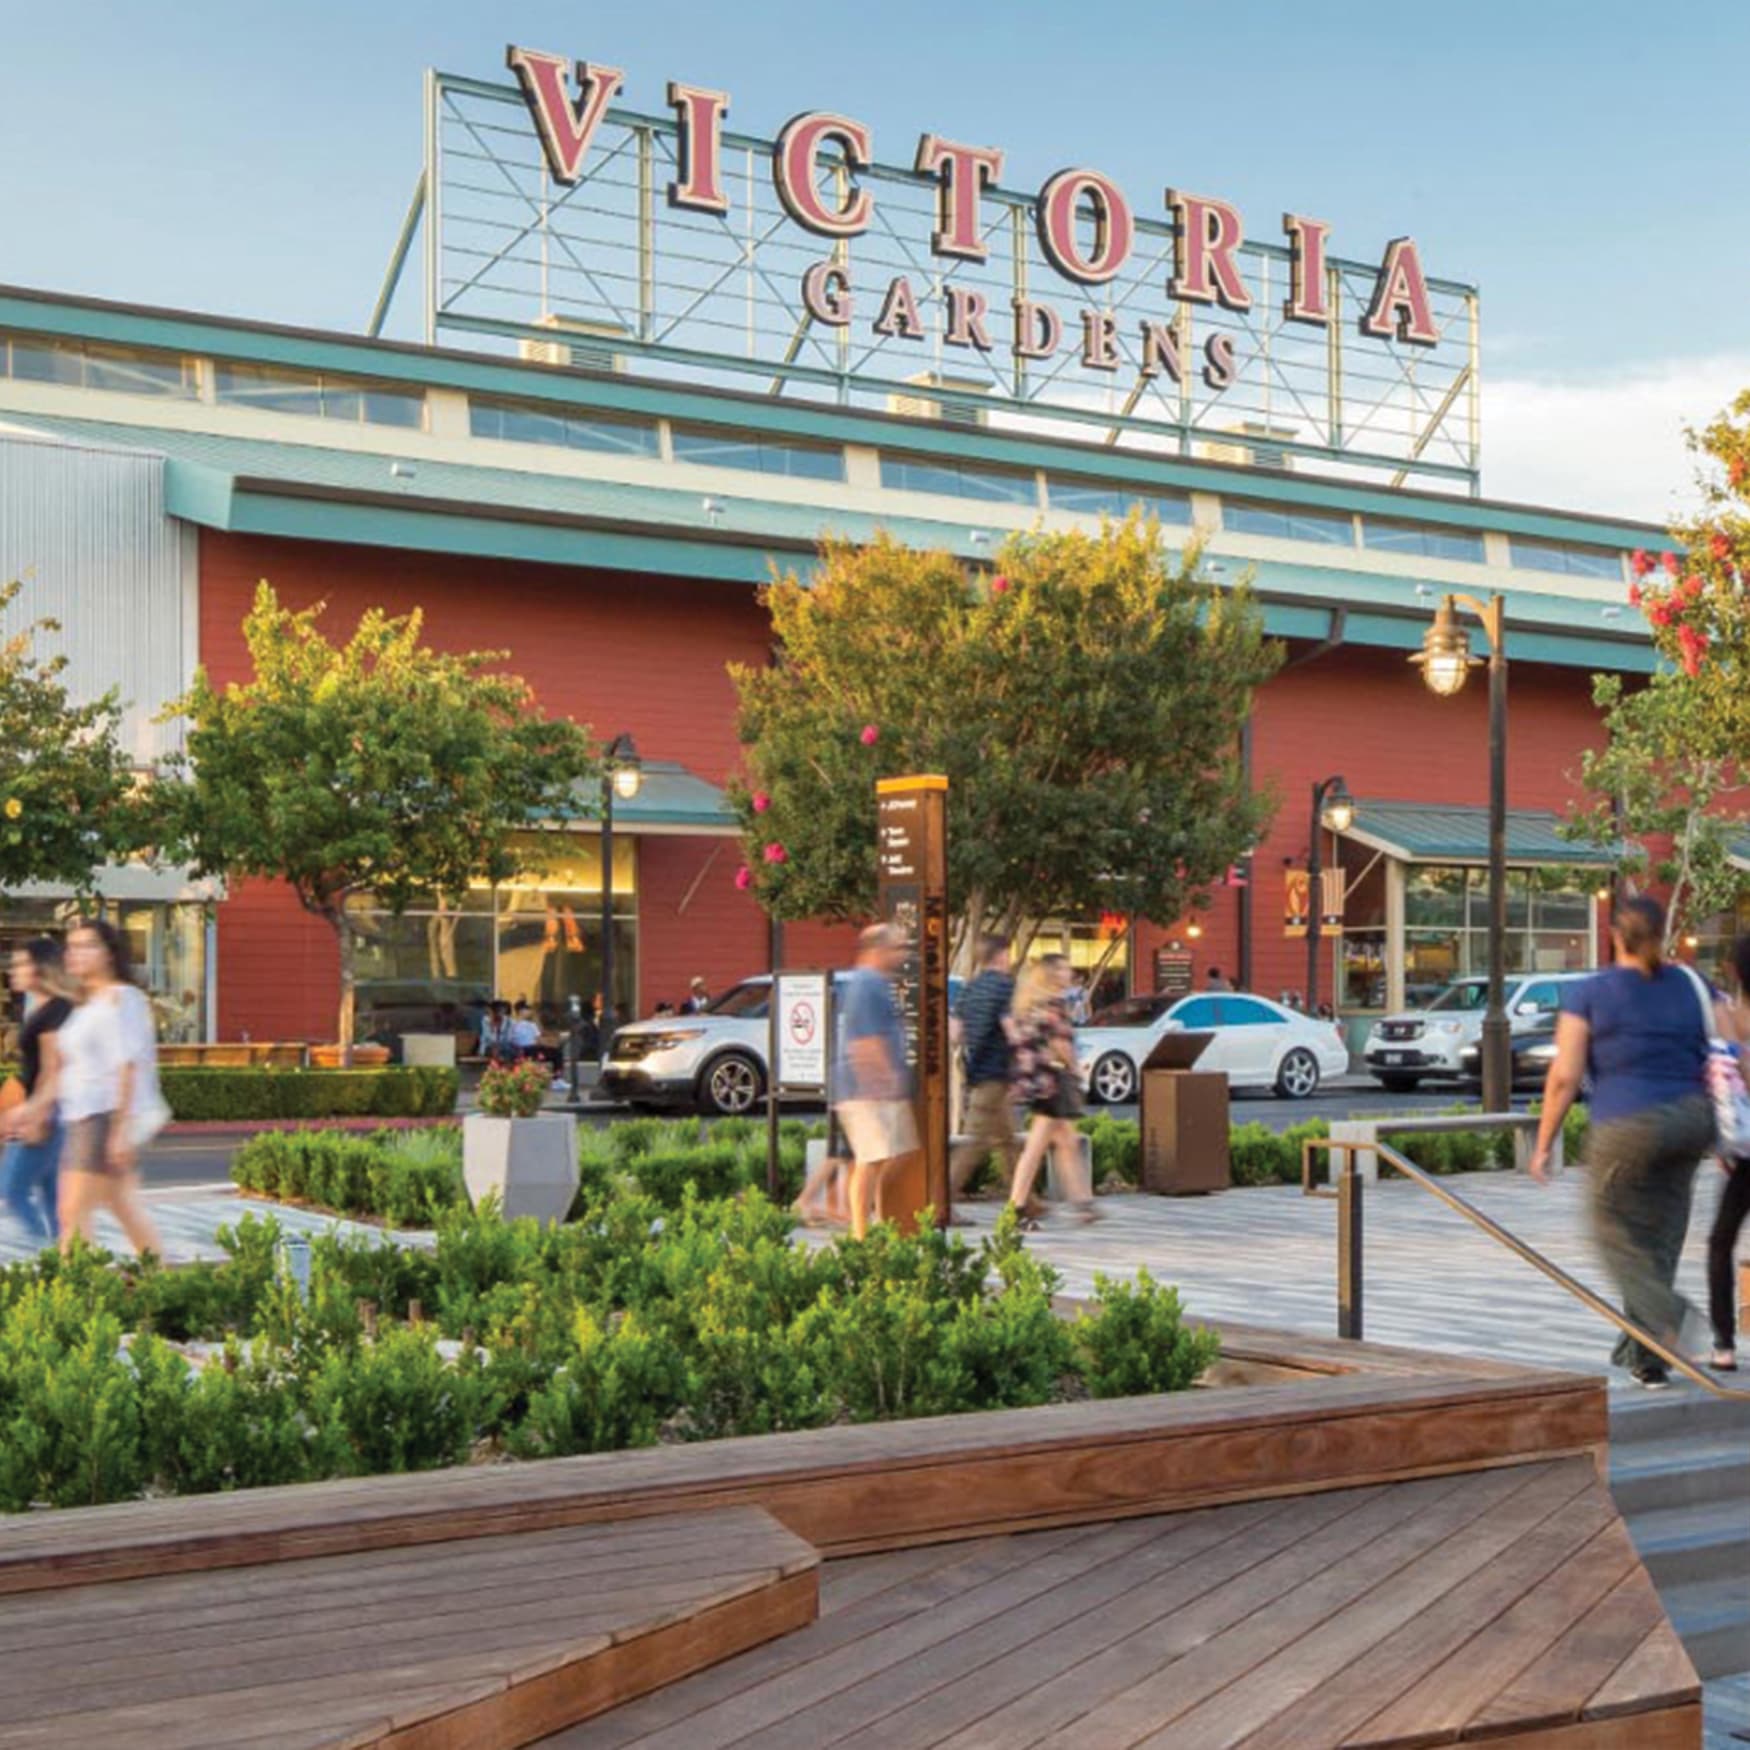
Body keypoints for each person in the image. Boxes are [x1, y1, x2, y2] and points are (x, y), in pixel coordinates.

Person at [1530, 896, 1712, 1388]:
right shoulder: (1693, 985)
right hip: (1693, 1121)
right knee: (1661, 1238)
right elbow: (1738, 1049)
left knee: (1611, 1233)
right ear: (1661, 937)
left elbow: (1565, 1077)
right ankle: (1647, 1359)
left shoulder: (1593, 991)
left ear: (1614, 935)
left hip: (1628, 1125)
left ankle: (1673, 1320)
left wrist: (1543, 1142)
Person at [43, 918, 165, 1260]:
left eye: (87, 945)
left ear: (109, 953)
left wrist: (119, 1130)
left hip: (101, 1116)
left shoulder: (122, 997)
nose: (75, 953)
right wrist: (35, 1107)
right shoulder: (87, 1003)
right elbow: (69, 1068)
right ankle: (160, 1284)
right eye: (72, 946)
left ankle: (76, 1297)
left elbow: (129, 1063)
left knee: (71, 1212)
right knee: (123, 1208)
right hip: (81, 1115)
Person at [833, 923, 915, 1240]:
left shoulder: (876, 983)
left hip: (876, 1088)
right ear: (878, 950)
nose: (903, 954)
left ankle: (876, 1217)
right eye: (898, 947)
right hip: (865, 1090)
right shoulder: (867, 984)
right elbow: (864, 1040)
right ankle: (860, 1232)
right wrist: (881, 1080)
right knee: (873, 1158)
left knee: (892, 1154)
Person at [1007, 954, 1101, 1227]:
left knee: (1066, 1143)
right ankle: (1017, 1207)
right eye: (1062, 969)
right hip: (1053, 1082)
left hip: (1039, 1079)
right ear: (1051, 974)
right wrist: (1075, 1068)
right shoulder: (1053, 1004)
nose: (1068, 973)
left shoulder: (1030, 1003)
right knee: (1036, 1148)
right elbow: (1060, 1043)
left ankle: (1083, 1203)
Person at [949, 936, 1036, 1218]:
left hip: (977, 1071)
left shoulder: (969, 989)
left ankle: (1026, 1201)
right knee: (975, 1142)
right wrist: (1025, 1060)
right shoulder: (1004, 987)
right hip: (996, 1073)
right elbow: (1011, 1029)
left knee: (1007, 1140)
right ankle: (941, 1199)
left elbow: (955, 1034)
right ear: (1001, 956)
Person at [0, 939, 74, 1245]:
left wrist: (33, 1113)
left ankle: (44, 1255)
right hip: (50, 1111)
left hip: (47, 1113)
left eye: (20, 964)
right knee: (53, 1197)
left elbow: (52, 1069)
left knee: (12, 1191)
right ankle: (67, 1263)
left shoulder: (55, 1010)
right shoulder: (43, 1006)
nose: (12, 970)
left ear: (40, 968)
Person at [1706, 934, 1750, 1371]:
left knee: (1721, 1242)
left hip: (1742, 1151)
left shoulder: (1726, 1018)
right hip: (1741, 1149)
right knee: (1721, 1239)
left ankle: (1724, 1345)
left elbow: (1719, 1086)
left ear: (1734, 971)